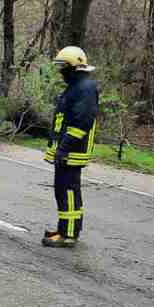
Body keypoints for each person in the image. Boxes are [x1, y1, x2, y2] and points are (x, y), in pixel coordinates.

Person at [42, 46, 98, 249]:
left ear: (73, 67)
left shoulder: (85, 88)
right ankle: (64, 229)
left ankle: (69, 234)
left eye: (62, 67)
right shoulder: (76, 86)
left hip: (73, 150)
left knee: (69, 191)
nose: (60, 71)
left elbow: (81, 122)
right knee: (62, 190)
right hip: (66, 150)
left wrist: (64, 148)